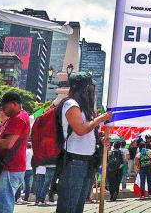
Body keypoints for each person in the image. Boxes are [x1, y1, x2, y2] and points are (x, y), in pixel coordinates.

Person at [56, 72, 112, 212]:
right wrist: (100, 118)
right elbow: (80, 130)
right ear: (84, 88)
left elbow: (87, 132)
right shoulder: (71, 104)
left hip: (87, 161)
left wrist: (99, 140)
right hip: (74, 161)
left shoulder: (84, 108)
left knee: (78, 205)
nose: (92, 90)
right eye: (90, 86)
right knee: (69, 204)